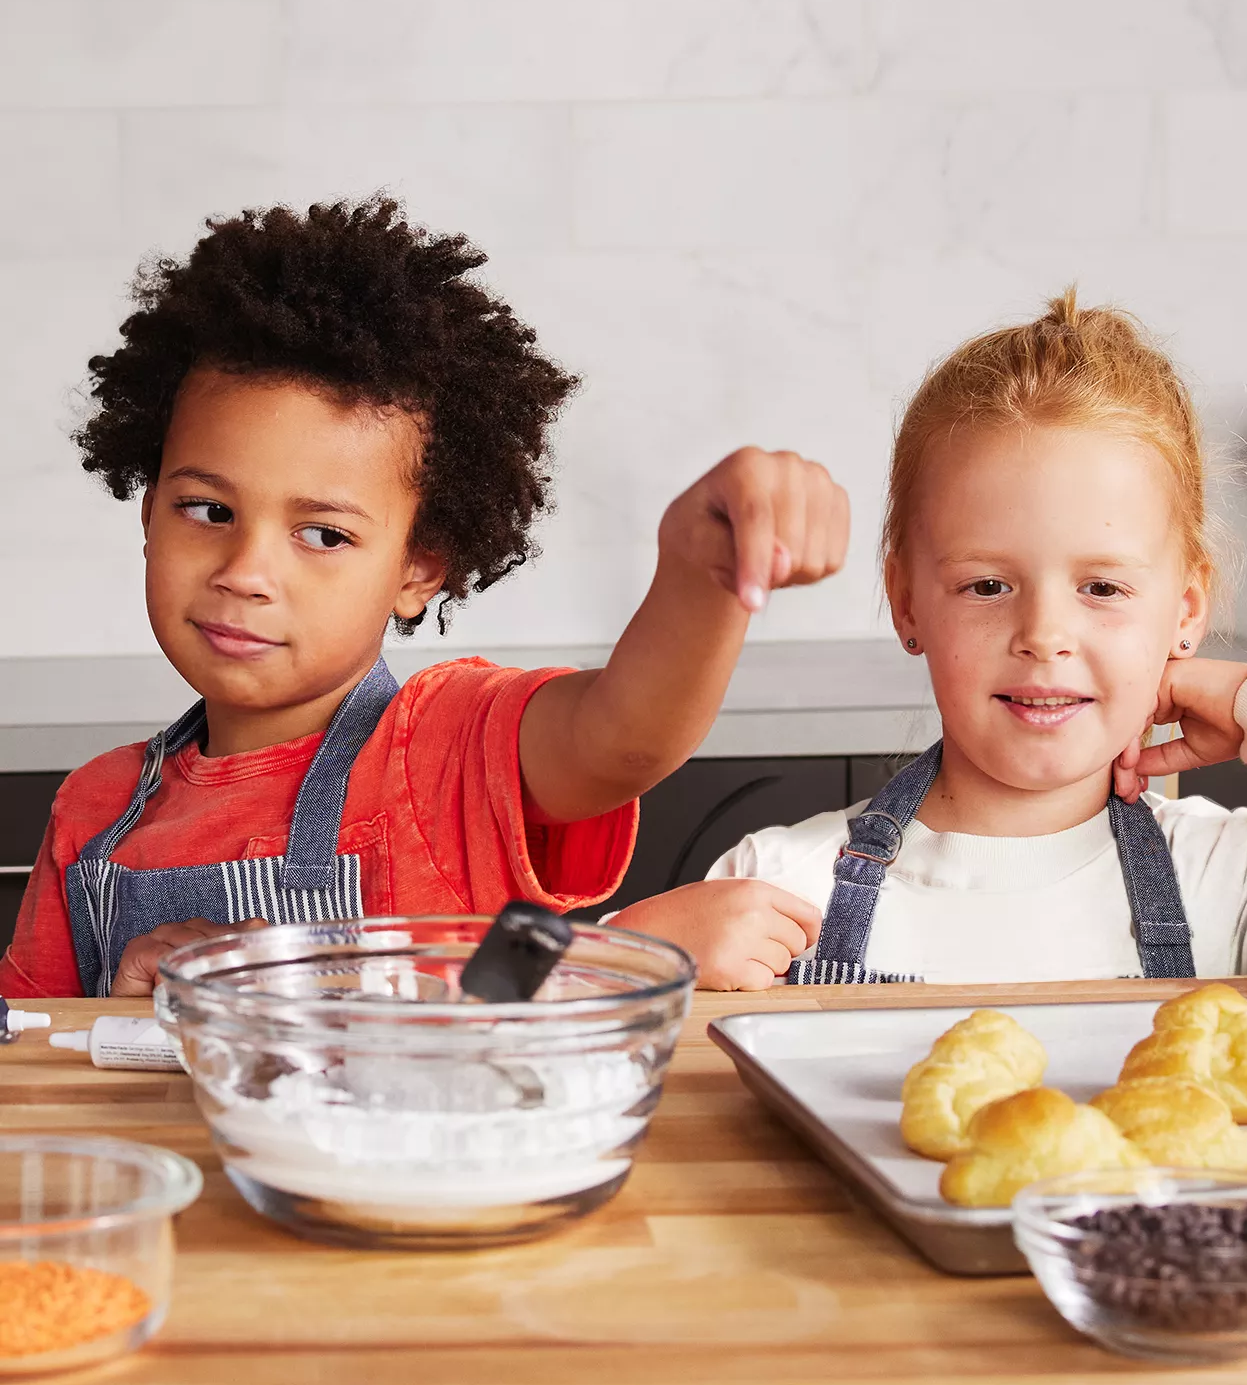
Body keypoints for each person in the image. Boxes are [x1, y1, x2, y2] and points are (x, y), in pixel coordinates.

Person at [0, 198, 848, 999]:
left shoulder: (444, 748)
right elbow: (29, 1063)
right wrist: (120, 1009)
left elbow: (619, 740)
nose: (245, 570)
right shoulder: (98, 808)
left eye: (323, 534)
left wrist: (697, 572)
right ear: (150, 512)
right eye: (208, 511)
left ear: (418, 571)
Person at [613, 292, 1247, 990]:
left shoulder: (1229, 875)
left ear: (1186, 612)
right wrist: (629, 958)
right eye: (988, 585)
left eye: (1103, 589)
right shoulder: (779, 881)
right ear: (906, 602)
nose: (1043, 636)